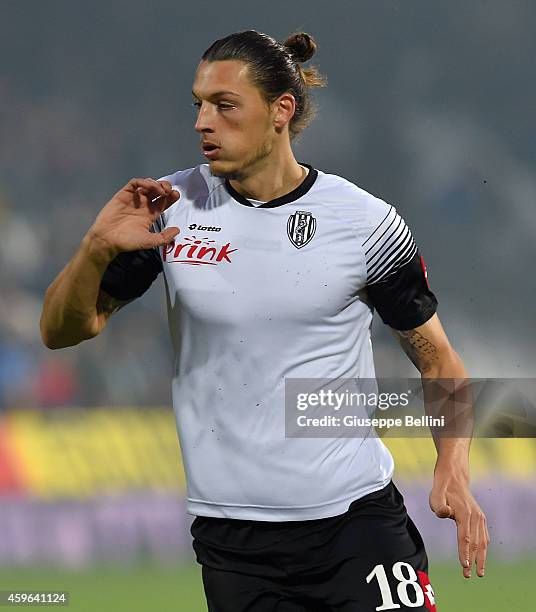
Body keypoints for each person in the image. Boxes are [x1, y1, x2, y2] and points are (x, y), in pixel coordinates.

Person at [40, 30, 489, 611]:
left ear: (282, 110)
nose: (204, 121)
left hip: (355, 525)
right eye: (199, 104)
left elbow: (438, 360)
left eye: (225, 106)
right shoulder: (168, 208)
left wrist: (452, 464)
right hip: (232, 543)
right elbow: (62, 330)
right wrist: (94, 249)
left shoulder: (364, 223)